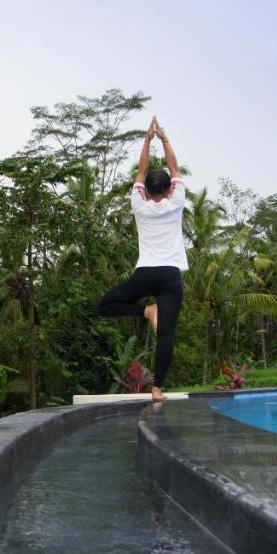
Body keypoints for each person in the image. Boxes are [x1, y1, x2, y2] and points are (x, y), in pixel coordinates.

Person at [97, 116, 187, 403]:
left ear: (146, 191)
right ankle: (157, 389)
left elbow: (142, 169)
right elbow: (174, 167)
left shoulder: (138, 204)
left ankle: (144, 312)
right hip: (170, 276)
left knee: (105, 305)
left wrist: (147, 140)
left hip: (145, 272)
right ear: (169, 189)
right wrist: (164, 138)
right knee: (167, 335)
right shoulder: (177, 202)